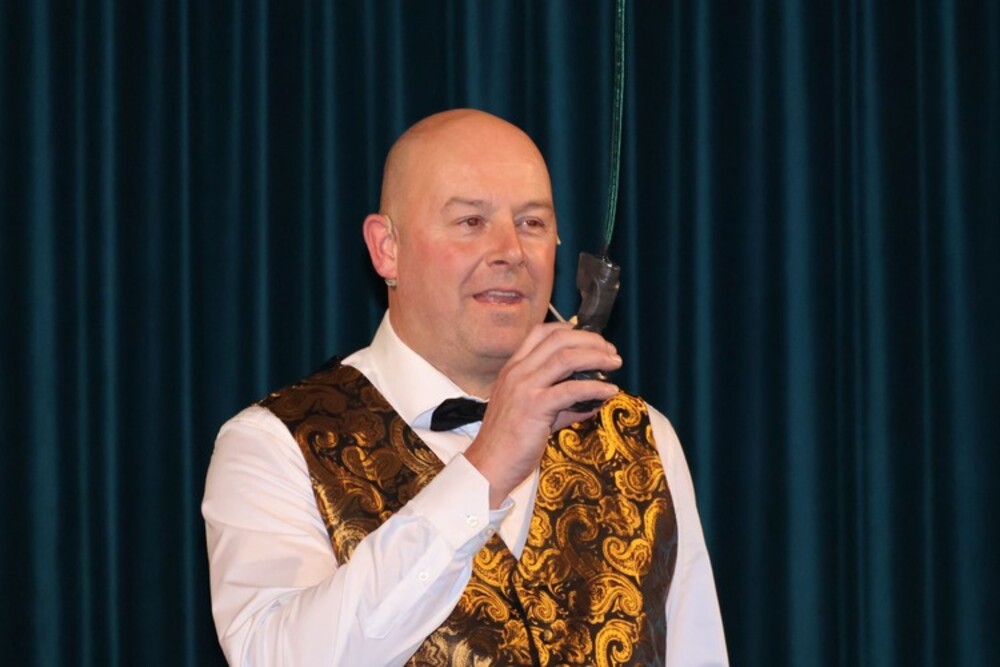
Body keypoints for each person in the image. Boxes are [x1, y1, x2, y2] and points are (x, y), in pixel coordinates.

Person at [202, 109, 728, 666]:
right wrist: (486, 467)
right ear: (387, 248)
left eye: (532, 223)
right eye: (471, 221)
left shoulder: (642, 436)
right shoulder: (273, 445)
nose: (510, 251)